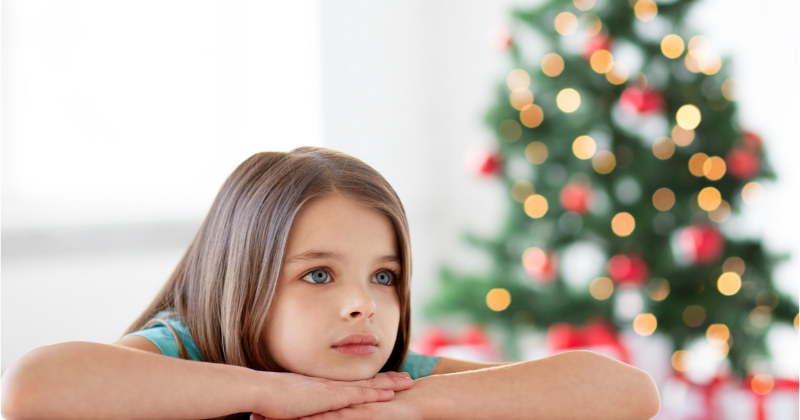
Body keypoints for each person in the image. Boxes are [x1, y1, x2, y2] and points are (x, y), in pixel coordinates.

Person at [0, 147, 660, 420]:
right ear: (245, 281)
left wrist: (406, 406)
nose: (360, 305)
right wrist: (270, 391)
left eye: (384, 277)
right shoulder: (187, 349)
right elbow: (34, 388)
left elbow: (627, 392)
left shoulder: (382, 381)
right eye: (318, 274)